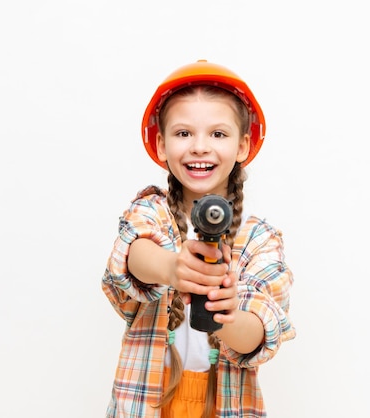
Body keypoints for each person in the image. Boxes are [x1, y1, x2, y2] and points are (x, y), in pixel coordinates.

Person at [101, 59, 295, 417]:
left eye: (218, 134)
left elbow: (258, 334)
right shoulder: (152, 211)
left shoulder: (259, 240)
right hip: (148, 403)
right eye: (183, 133)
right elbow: (133, 254)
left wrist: (227, 313)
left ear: (242, 145)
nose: (200, 147)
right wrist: (173, 269)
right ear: (161, 145)